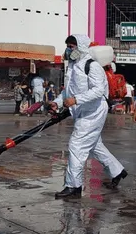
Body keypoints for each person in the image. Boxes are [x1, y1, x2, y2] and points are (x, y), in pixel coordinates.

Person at [50, 34, 127, 199]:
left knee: (77, 146)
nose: (69, 50)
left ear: (82, 47)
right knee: (94, 146)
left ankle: (74, 186)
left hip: (94, 111)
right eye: (68, 46)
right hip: (82, 110)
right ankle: (118, 171)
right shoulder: (72, 66)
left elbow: (98, 91)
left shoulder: (92, 66)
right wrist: (58, 102)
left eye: (72, 47)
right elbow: (68, 91)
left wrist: (76, 100)